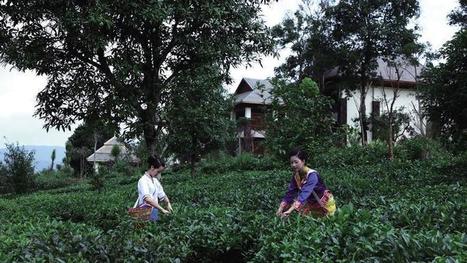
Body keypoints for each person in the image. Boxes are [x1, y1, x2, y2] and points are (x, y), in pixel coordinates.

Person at [276, 148, 336, 218]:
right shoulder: (296, 175)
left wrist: (289, 210)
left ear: (303, 161)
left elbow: (304, 194)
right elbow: (290, 193)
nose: (293, 165)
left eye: (296, 162)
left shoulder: (312, 175)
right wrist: (280, 208)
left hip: (324, 204)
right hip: (312, 204)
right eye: (291, 163)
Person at [136, 155, 173, 220]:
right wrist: (162, 209)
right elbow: (147, 199)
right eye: (158, 171)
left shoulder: (155, 181)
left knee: (153, 227)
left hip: (154, 211)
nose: (158, 174)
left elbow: (162, 195)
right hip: (144, 211)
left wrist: (168, 203)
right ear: (152, 167)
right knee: (143, 228)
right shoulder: (143, 180)